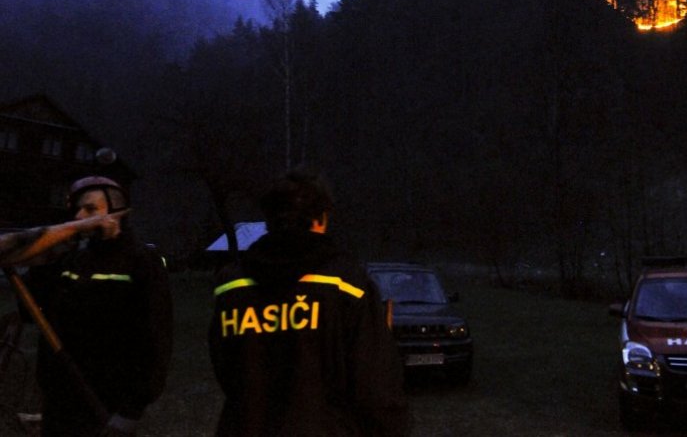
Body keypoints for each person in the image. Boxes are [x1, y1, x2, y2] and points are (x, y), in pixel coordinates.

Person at [209, 169, 411, 436]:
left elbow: (226, 368)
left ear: (269, 219)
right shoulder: (346, 285)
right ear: (321, 219)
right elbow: (375, 388)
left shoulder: (231, 286)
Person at [23, 176, 173, 436]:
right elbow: (32, 312)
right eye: (78, 209)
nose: (79, 215)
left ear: (117, 211)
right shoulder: (73, 259)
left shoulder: (141, 261)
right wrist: (43, 261)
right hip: (61, 400)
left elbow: (157, 339)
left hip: (106, 402)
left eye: (90, 209)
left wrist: (130, 411)